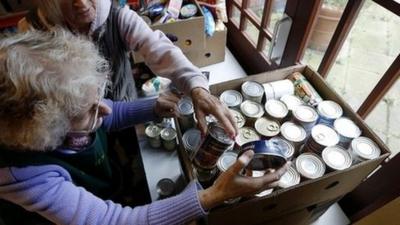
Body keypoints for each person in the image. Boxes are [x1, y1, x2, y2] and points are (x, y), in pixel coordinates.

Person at [0, 29, 289, 225]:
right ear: (48, 131)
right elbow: (112, 221)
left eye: (98, 98)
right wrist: (213, 196)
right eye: (88, 110)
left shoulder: (66, 120)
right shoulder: (24, 176)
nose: (104, 108)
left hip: (98, 183)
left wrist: (150, 107)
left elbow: (104, 116)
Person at [18, 0, 237, 138]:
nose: (82, 4)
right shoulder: (32, 33)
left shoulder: (118, 16)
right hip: (71, 130)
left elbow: (160, 50)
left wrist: (197, 89)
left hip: (123, 110)